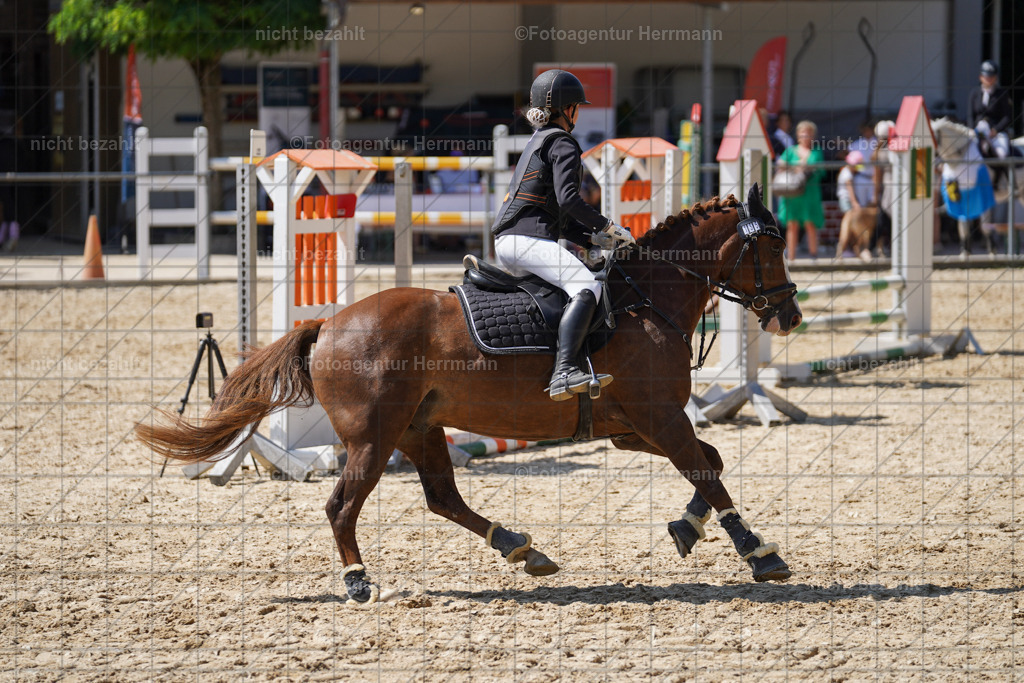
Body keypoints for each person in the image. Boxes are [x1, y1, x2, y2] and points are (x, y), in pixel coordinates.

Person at [491, 69, 634, 401]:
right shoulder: (563, 142)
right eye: (577, 108)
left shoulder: (536, 142)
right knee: (588, 286)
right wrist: (610, 227)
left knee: (575, 283)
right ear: (569, 109)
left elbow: (559, 215)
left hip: (512, 240)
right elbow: (571, 200)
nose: (578, 114)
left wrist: (595, 241)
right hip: (527, 242)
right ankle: (564, 370)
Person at [777, 120, 825, 259]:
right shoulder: (790, 151)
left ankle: (813, 255)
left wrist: (806, 168)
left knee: (810, 223)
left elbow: (820, 171)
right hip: (792, 193)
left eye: (809, 133)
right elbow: (780, 166)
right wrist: (796, 167)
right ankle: (791, 257)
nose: (806, 135)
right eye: (803, 133)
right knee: (792, 224)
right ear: (798, 135)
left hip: (810, 193)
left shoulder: (817, 152)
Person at [968, 60, 1013, 159]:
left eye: (991, 77)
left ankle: (1006, 174)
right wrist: (972, 129)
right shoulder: (974, 93)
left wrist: (996, 130)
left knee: (1002, 153)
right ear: (981, 77)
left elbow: (1007, 116)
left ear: (996, 78)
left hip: (996, 132)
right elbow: (970, 115)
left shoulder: (1002, 94)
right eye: (986, 76)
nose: (988, 79)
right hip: (978, 130)